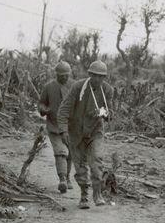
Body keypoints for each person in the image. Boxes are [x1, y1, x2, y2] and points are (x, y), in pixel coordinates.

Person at [57, 60, 113, 209]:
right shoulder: (78, 87)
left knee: (96, 161)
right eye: (95, 76)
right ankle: (83, 195)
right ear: (90, 75)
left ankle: (97, 194)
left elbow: (109, 113)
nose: (98, 80)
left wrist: (103, 113)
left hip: (96, 131)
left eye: (101, 77)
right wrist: (63, 131)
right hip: (76, 132)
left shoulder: (107, 90)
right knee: (80, 166)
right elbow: (63, 110)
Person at [38, 61, 73, 193]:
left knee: (71, 154)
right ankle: (62, 179)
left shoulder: (73, 86)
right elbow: (41, 103)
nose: (64, 77)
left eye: (66, 75)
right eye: (61, 75)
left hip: (71, 126)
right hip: (54, 126)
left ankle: (68, 177)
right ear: (56, 74)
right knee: (60, 152)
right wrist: (44, 109)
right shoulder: (49, 87)